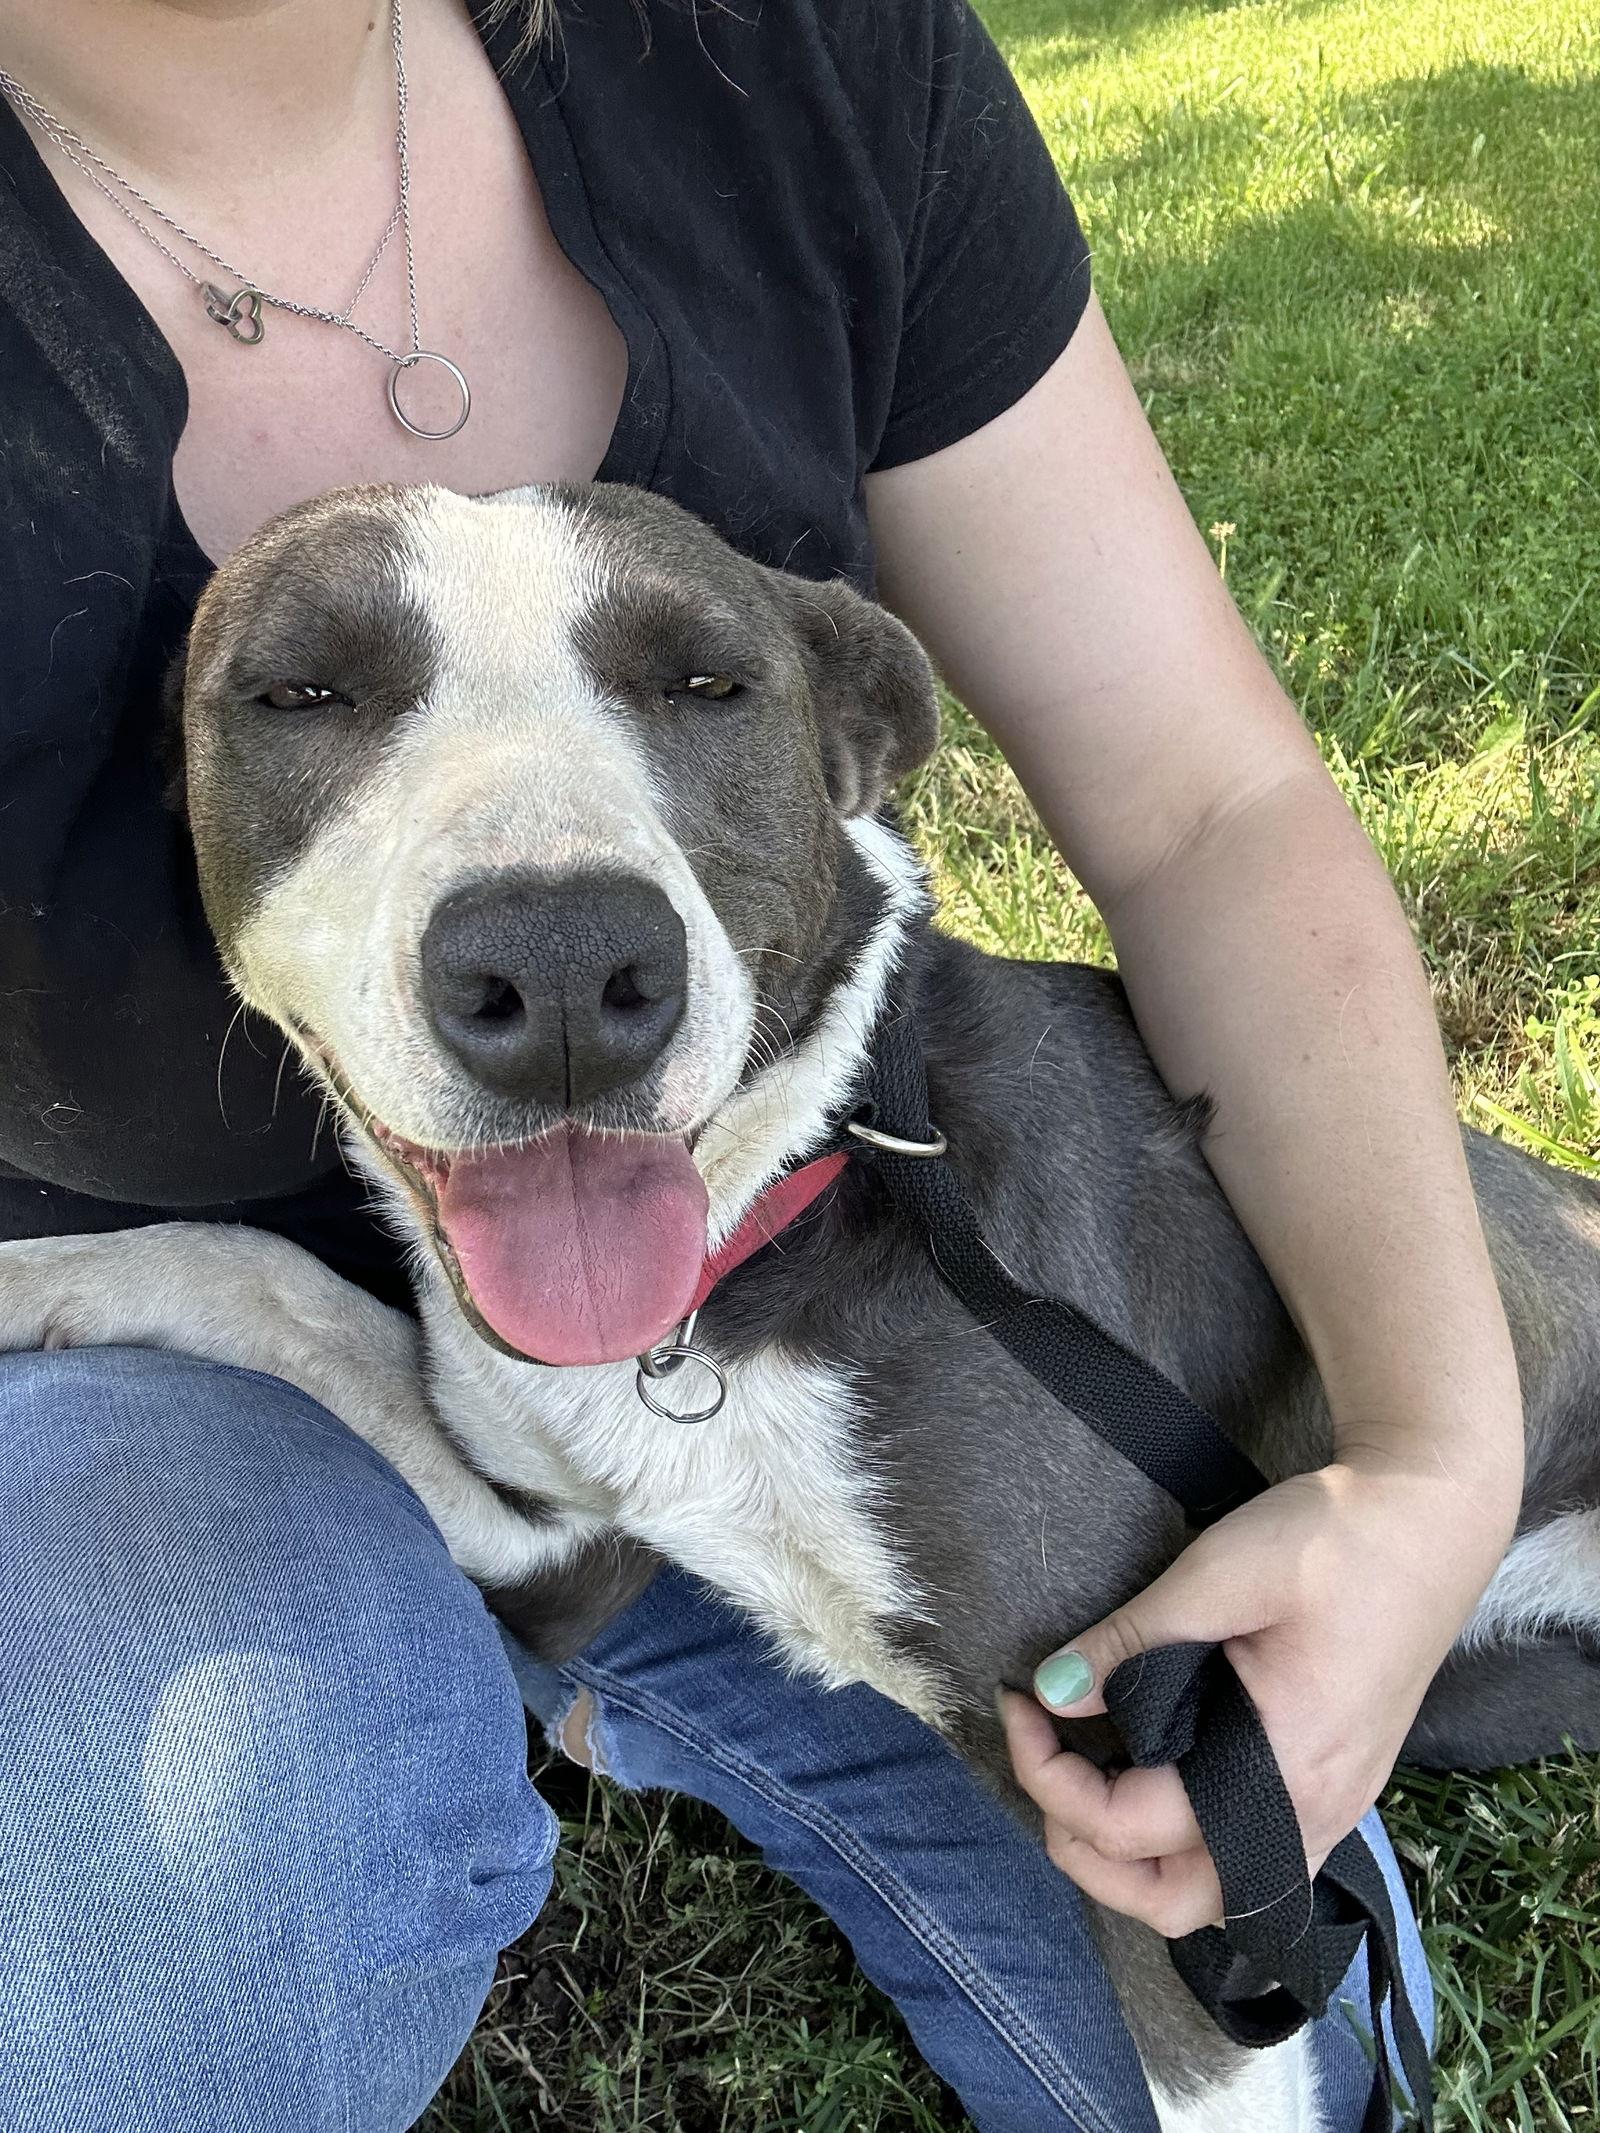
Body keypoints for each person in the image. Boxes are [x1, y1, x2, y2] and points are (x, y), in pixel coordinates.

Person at [0, 0, 1520, 2126]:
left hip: (785, 1297)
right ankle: (556, 1633)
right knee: (158, 1939)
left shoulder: (796, 51)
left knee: (1282, 2032)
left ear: (854, 750)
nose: (548, 941)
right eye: (313, 695)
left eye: (699, 683)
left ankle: (617, 1637)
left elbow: (1207, 807)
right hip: (170, 1413)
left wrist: (1432, 1460)